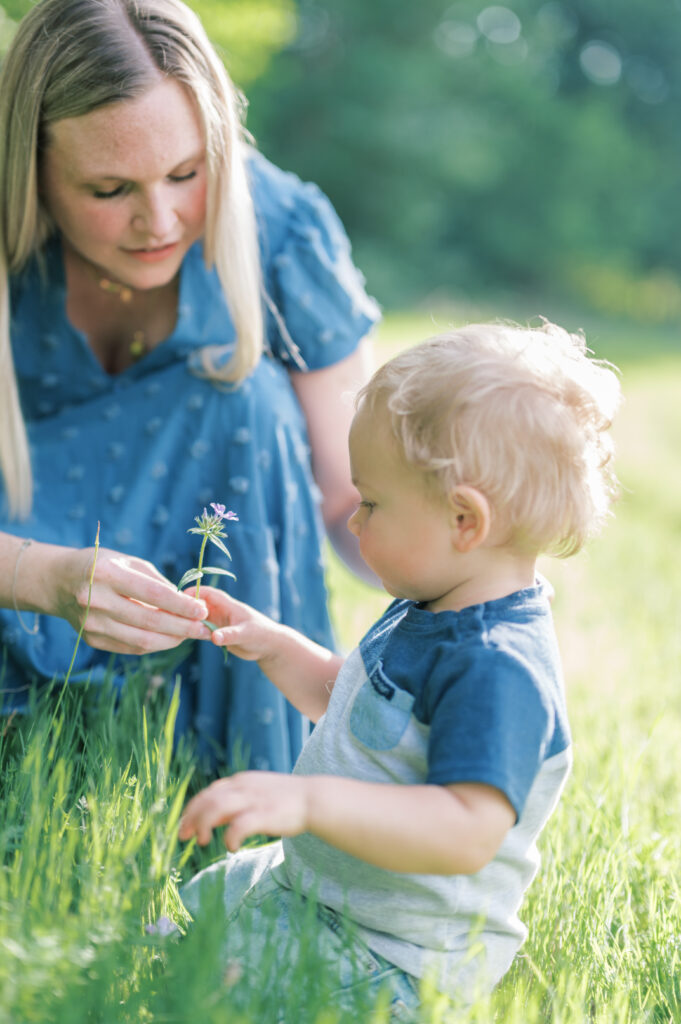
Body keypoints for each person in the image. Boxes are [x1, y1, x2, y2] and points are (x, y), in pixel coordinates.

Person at [177, 322, 621, 1011]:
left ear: (462, 520)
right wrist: (272, 644)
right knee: (202, 905)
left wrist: (307, 802)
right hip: (331, 892)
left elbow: (465, 829)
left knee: (221, 983)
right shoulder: (432, 602)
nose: (353, 522)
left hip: (393, 953)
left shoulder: (495, 668)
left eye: (373, 503)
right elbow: (359, 712)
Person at [0, 0, 380, 770]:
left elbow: (348, 497)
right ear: (31, 169)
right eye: (109, 190)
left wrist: (470, 589)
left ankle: (242, 778)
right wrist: (41, 575)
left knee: (248, 400)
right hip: (19, 579)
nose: (160, 220)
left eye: (186, 172)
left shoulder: (282, 227)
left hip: (204, 615)